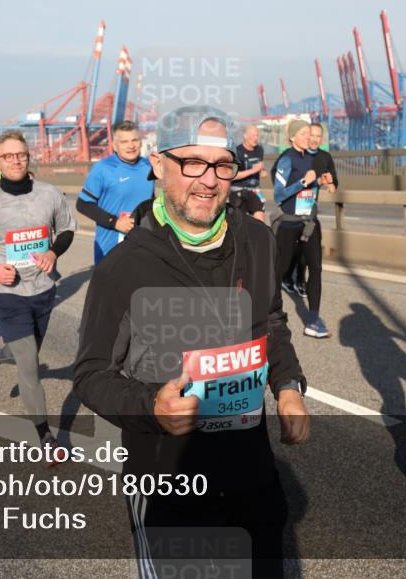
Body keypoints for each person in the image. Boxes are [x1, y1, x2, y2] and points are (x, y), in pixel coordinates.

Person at [74, 106, 310, 579]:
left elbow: (270, 321)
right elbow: (91, 373)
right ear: (158, 165)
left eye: (221, 165)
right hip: (166, 478)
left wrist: (287, 386)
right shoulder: (123, 267)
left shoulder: (258, 241)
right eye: (192, 163)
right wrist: (150, 405)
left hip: (250, 469)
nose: (209, 180)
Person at [0, 130, 77, 456]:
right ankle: (46, 438)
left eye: (21, 155)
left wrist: (53, 252)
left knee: (25, 353)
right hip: (6, 292)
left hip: (43, 288)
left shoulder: (49, 194)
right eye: (8, 156)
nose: (15, 160)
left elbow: (67, 229)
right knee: (29, 363)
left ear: (28, 157)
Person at [272, 119, 331, 338]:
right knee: (279, 270)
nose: (309, 137)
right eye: (304, 133)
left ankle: (313, 320)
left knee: (316, 268)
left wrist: (319, 182)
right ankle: (268, 314)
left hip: (309, 222)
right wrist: (303, 183)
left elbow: (309, 188)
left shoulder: (311, 159)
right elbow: (279, 195)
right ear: (293, 137)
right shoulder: (286, 159)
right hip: (289, 223)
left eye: (310, 133)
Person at [76, 120, 154, 263]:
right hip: (110, 247)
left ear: (140, 142)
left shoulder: (148, 166)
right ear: (114, 145)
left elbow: (150, 201)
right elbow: (83, 204)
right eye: (124, 142)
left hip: (142, 245)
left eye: (134, 140)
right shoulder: (103, 168)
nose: (131, 146)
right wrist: (115, 222)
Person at [288, 121, 338, 297]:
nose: (315, 139)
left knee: (307, 246)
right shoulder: (296, 154)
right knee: (293, 248)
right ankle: (288, 276)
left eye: (318, 136)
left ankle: (300, 281)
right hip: (291, 204)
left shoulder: (325, 157)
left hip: (309, 206)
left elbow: (333, 187)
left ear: (322, 139)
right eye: (312, 135)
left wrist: (329, 183)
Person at [231, 124, 266, 203]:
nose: (256, 138)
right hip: (238, 188)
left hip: (255, 188)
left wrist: (262, 171)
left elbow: (260, 166)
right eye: (253, 135)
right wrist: (253, 171)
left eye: (257, 135)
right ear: (245, 136)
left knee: (261, 208)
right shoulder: (237, 152)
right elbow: (233, 176)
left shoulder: (259, 149)